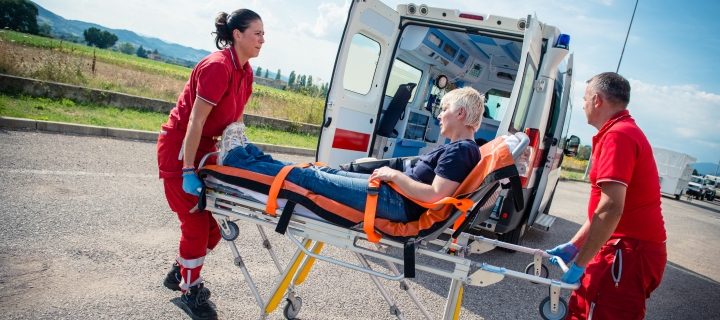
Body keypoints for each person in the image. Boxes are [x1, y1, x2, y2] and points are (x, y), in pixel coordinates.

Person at [222, 87, 484, 223]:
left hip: (396, 202)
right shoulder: (460, 149)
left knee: (308, 180)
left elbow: (435, 196)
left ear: (460, 114)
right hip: (393, 195)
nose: (439, 115)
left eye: (445, 109)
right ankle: (248, 156)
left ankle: (236, 160)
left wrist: (393, 175)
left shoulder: (461, 150)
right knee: (319, 171)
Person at [156, 8, 263, 320]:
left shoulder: (246, 72)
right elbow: (195, 121)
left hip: (207, 150)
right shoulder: (218, 67)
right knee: (195, 226)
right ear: (237, 35)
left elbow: (235, 122)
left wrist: (239, 155)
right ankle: (190, 291)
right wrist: (188, 169)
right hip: (181, 150)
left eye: (263, 34)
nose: (262, 40)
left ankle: (179, 271)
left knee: (212, 233)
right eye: (256, 33)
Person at [546, 72, 667, 319]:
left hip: (628, 252)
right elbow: (603, 208)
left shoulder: (618, 135)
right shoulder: (620, 132)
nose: (582, 105)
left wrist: (581, 262)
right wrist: (575, 245)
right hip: (621, 247)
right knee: (582, 309)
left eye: (584, 98)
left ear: (597, 100)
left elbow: (611, 209)